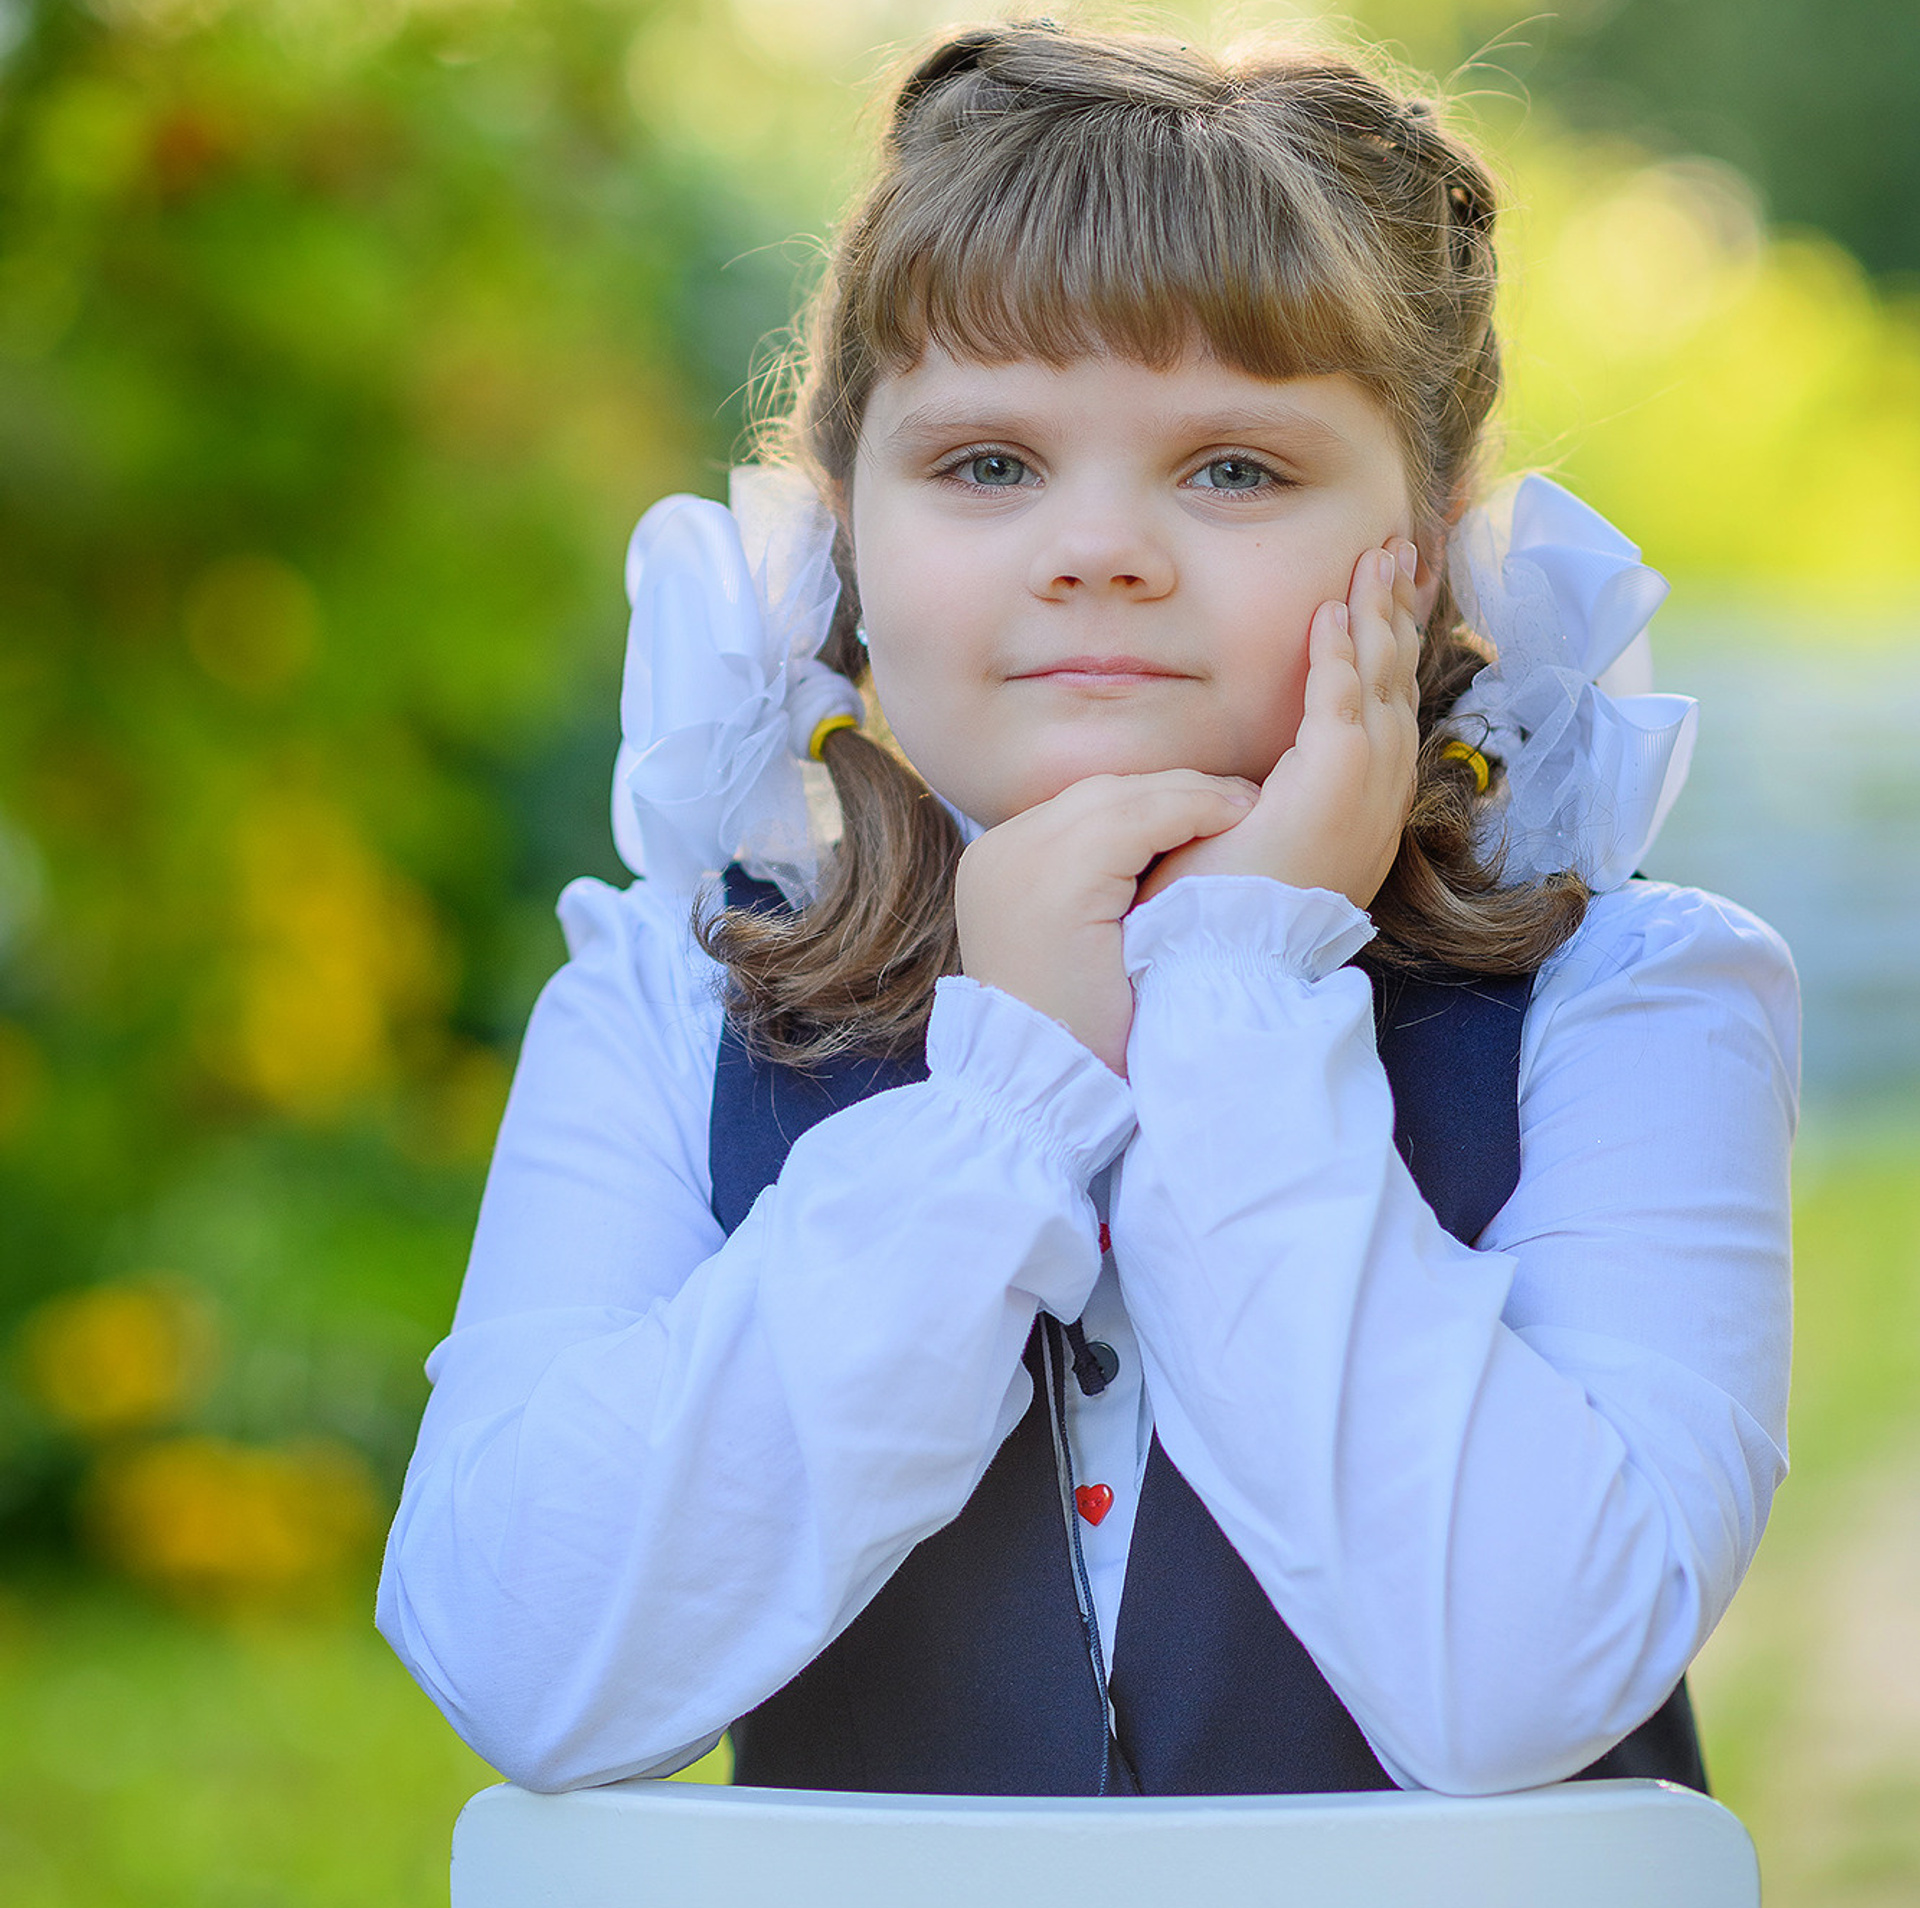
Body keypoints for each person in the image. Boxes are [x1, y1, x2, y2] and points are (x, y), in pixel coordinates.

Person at [377, 22, 1797, 1801]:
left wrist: (1235, 992)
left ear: (1423, 545)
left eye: (1233, 468)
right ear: (847, 538)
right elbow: (526, 1668)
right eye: (987, 464)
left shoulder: (1636, 1002)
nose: (1100, 547)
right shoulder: (675, 993)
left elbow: (1520, 1686)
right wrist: (1008, 1098)